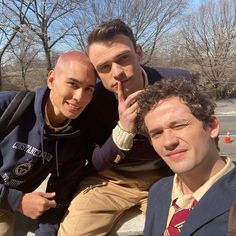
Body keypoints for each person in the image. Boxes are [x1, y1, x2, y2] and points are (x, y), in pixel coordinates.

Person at [59, 19, 191, 235]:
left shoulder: (176, 82)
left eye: (123, 58)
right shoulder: (92, 98)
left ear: (138, 53)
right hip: (110, 180)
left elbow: (200, 134)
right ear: (97, 73)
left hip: (167, 177)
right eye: (104, 67)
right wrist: (124, 130)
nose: (117, 72)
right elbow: (93, 159)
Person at [0, 50, 97, 235]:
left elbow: (58, 196)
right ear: (51, 79)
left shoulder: (74, 139)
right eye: (72, 84)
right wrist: (17, 201)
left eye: (89, 89)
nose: (79, 97)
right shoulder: (7, 107)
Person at [136, 78, 236, 236]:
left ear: (212, 126)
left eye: (179, 126)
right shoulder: (159, 191)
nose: (169, 142)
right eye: (157, 133)